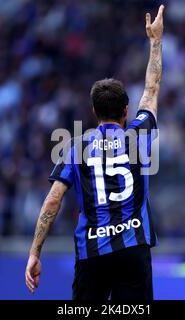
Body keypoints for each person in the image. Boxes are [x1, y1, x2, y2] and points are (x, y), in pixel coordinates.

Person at [25, 5, 165, 300]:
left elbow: (53, 200)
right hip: (133, 252)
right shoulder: (139, 135)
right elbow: (151, 90)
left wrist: (35, 253)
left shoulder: (76, 147)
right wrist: (155, 41)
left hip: (93, 254)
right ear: (126, 110)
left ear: (93, 111)